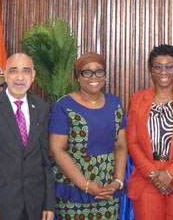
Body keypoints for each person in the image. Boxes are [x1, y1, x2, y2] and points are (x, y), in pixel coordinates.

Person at [0, 53, 55, 220]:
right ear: (5, 75)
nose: (20, 77)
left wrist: (49, 203)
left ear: (33, 75)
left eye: (26, 71)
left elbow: (46, 161)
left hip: (35, 205)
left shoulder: (42, 108)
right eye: (14, 71)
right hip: (0, 206)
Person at [126, 44, 173, 220]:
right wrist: (154, 175)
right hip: (147, 178)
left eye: (169, 67)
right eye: (158, 67)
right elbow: (132, 142)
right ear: (151, 70)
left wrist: (170, 173)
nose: (163, 72)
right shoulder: (138, 99)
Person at [49, 52, 127, 220]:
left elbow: (120, 146)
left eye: (99, 71)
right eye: (87, 72)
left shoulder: (115, 103)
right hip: (74, 189)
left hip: (108, 190)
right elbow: (57, 150)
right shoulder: (63, 106)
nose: (94, 77)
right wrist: (85, 185)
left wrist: (118, 181)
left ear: (105, 75)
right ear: (78, 77)